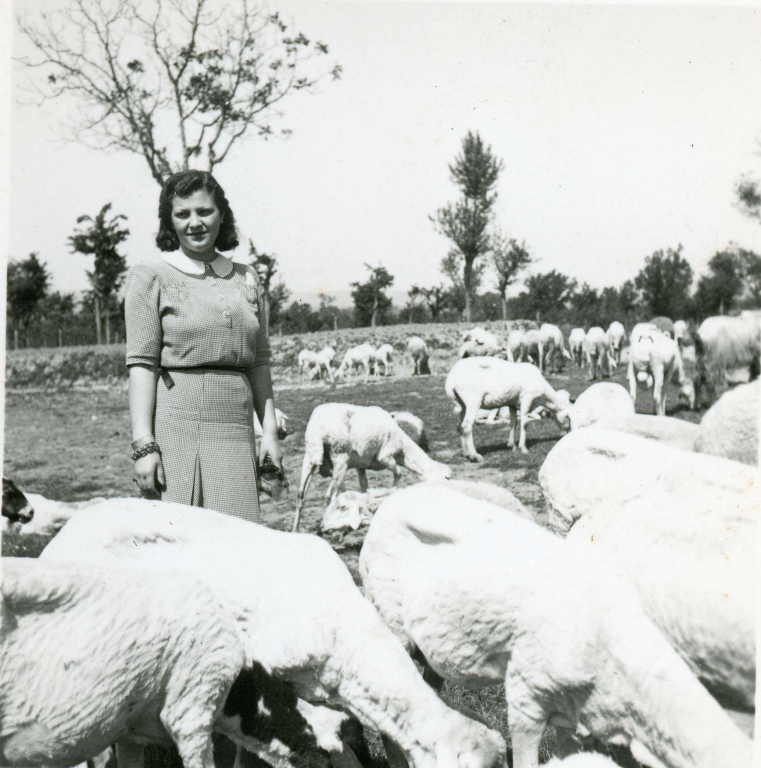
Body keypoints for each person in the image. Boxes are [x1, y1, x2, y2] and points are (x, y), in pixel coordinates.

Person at [124, 170, 284, 523]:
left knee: (238, 539)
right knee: (180, 540)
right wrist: (144, 445)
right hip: (178, 423)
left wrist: (269, 433)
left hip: (235, 426)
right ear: (170, 221)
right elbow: (142, 366)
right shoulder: (151, 276)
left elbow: (258, 362)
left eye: (204, 211)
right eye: (183, 214)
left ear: (222, 214)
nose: (194, 223)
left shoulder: (247, 276)